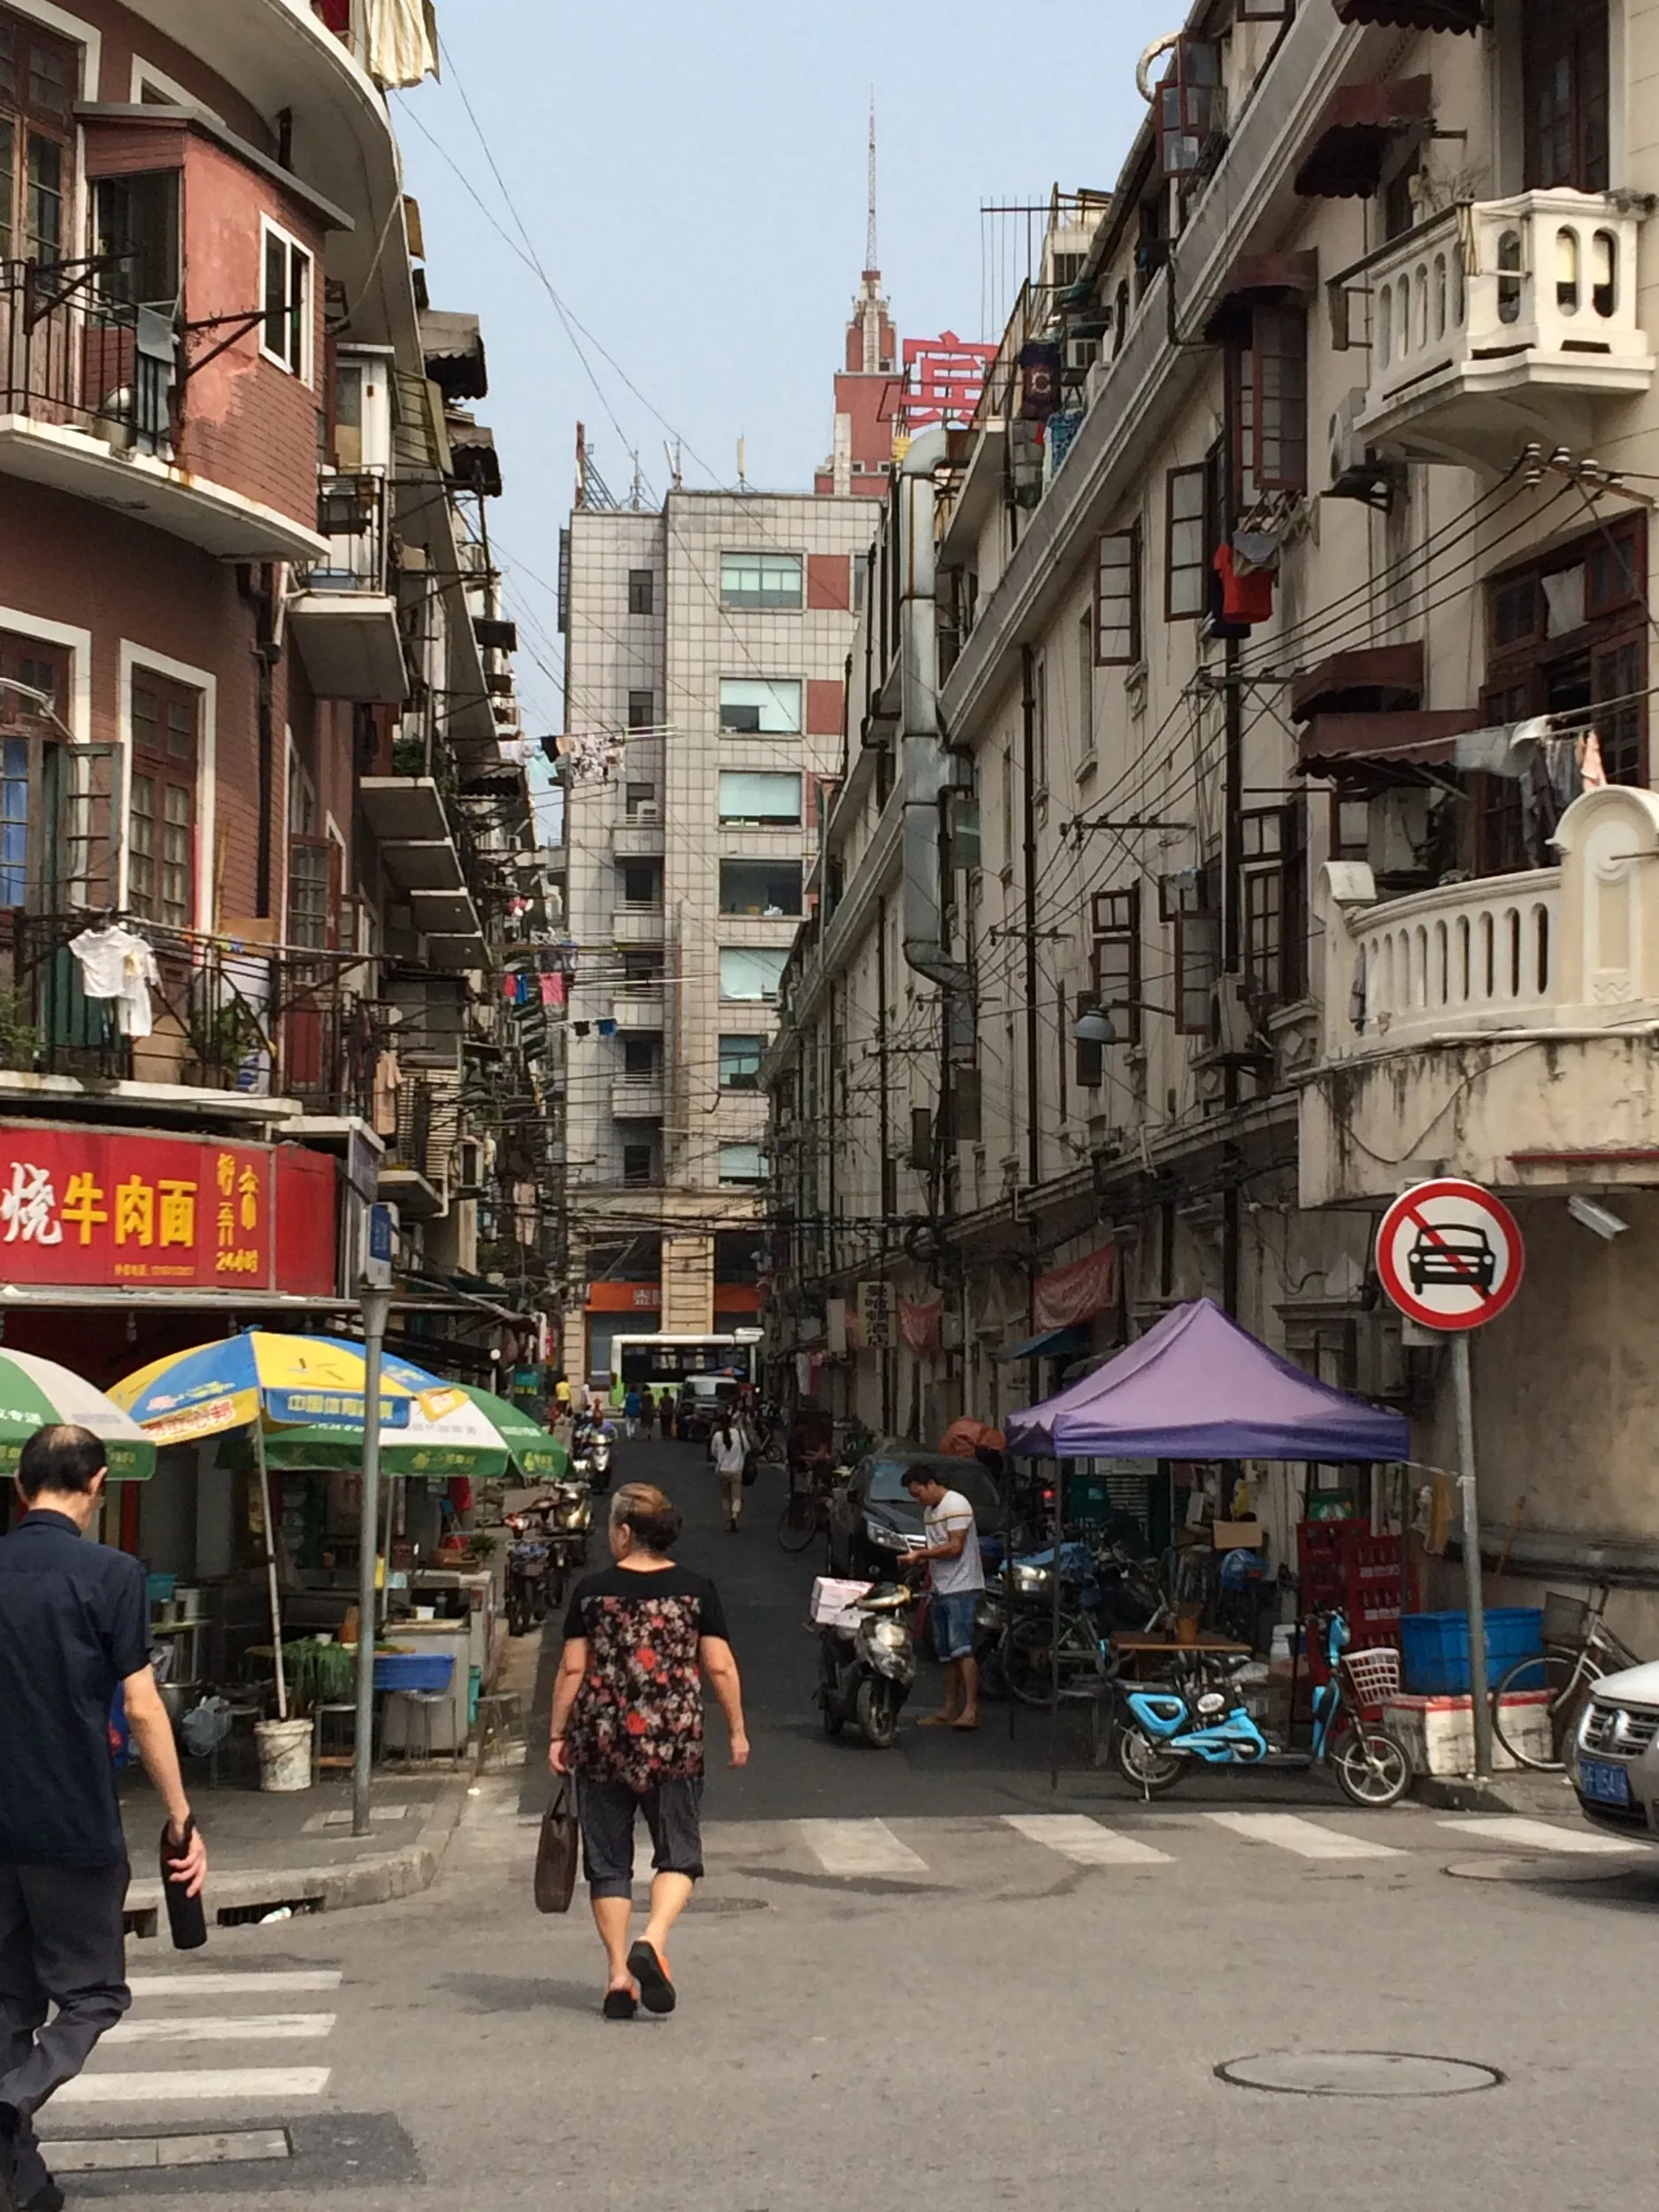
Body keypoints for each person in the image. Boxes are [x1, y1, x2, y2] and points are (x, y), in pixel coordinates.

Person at [0, 1426, 209, 2212]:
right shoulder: (113, 1575)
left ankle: (24, 2182)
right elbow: (143, 1707)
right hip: (72, 1820)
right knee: (94, 1996)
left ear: (21, 1488)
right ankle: (16, 2095)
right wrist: (180, 1815)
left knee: (7, 2002)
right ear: (95, 1485)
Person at [548, 1485, 748, 2020]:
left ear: (623, 1531)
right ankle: (653, 1939)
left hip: (602, 1741)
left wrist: (557, 1735)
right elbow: (720, 1666)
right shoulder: (695, 1590)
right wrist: (737, 1732)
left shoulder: (591, 1592)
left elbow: (573, 1669)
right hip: (673, 1741)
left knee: (608, 1862)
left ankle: (618, 1976)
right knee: (679, 1853)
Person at [901, 1466, 986, 1731]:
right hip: (941, 1587)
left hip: (962, 1586)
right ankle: (949, 1708)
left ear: (930, 1483)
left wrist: (921, 1555)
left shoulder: (956, 1504)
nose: (918, 1500)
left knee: (962, 1649)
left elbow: (954, 1547)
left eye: (919, 1493)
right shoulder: (930, 1512)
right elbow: (937, 1548)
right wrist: (919, 1561)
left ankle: (971, 1709)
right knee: (946, 1654)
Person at [709, 1415, 748, 1534]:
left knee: (725, 1496)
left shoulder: (717, 1436)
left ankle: (727, 1519)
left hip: (722, 1470)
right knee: (736, 1496)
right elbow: (747, 1448)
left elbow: (713, 1452)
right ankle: (735, 1515)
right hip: (736, 1470)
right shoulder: (739, 1434)